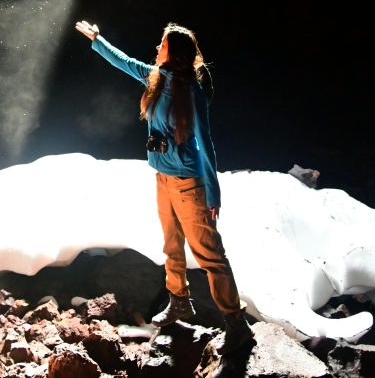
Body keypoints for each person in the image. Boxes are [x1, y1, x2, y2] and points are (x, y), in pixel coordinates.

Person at [74, 19, 255, 354]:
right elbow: (124, 63)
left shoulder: (192, 93)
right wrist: (98, 39)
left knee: (209, 255)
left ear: (175, 53)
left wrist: (213, 193)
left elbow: (207, 144)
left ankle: (236, 323)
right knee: (171, 244)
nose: (157, 48)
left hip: (189, 184)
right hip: (162, 178)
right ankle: (179, 301)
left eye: (162, 45)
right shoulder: (156, 78)